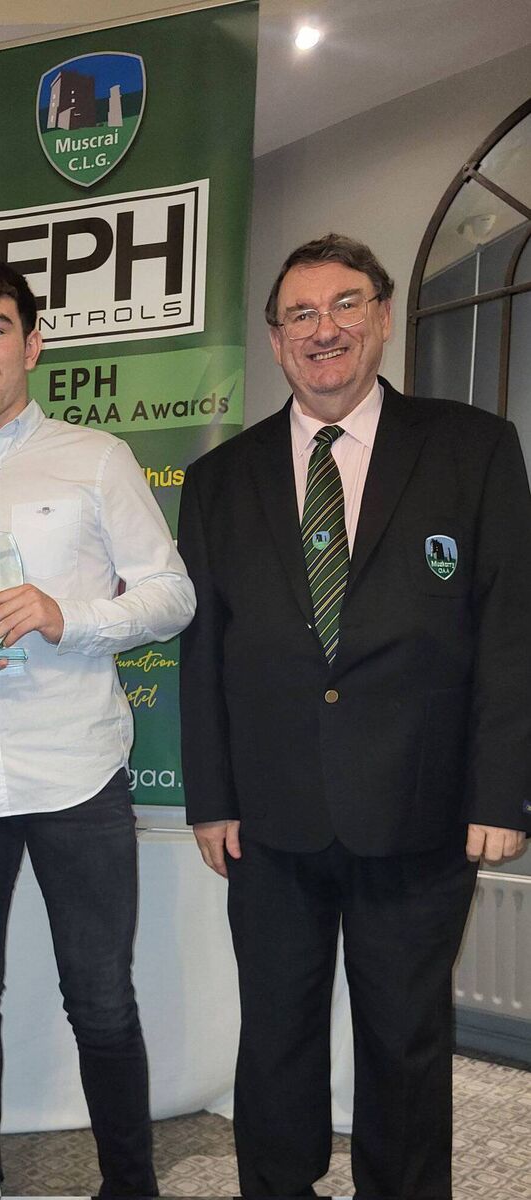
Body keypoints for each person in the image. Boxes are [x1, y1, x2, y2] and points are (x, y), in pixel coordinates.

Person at [177, 233, 531, 1198]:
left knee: (407, 1045)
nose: (322, 329)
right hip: (270, 823)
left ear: (379, 316)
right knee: (276, 1040)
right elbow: (201, 650)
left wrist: (501, 793)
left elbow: (510, 632)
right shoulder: (218, 481)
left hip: (419, 815)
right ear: (276, 339)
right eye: (300, 314)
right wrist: (208, 800)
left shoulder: (473, 448)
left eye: (343, 306)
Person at [0, 258, 196, 1198]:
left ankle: (129, 1186)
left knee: (101, 999)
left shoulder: (96, 458)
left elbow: (173, 594)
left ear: (33, 342)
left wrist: (68, 617)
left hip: (76, 771)